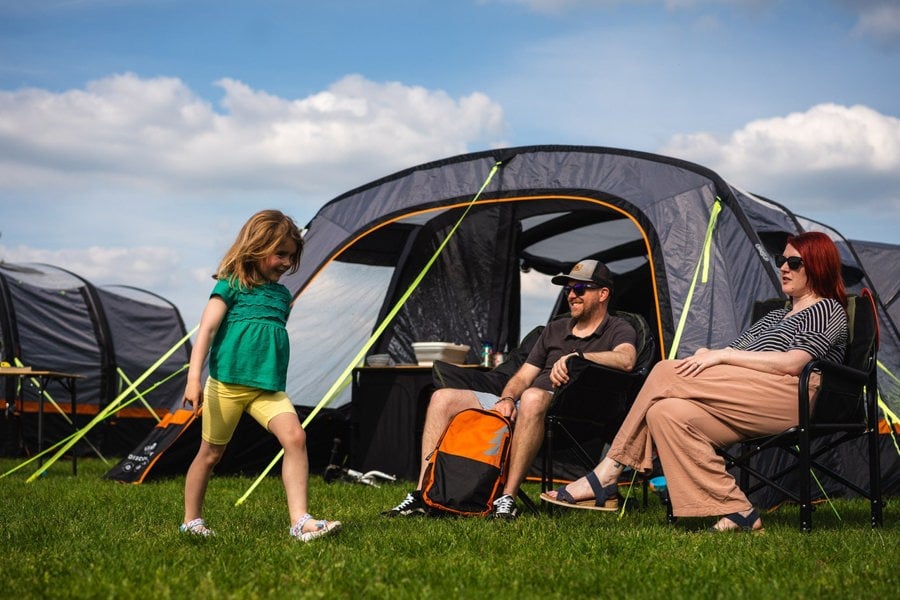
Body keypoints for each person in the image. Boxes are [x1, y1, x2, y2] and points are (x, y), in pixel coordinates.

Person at [542, 232, 848, 532]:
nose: (783, 267)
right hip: (746, 394)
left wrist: (720, 357)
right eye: (782, 260)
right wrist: (710, 353)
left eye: (793, 263)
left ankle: (608, 472)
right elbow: (733, 352)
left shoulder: (826, 309)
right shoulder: (773, 317)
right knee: (666, 412)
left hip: (788, 397)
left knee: (664, 371)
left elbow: (795, 363)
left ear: (818, 266)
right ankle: (738, 511)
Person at [383, 259, 638, 519]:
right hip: (524, 402)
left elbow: (627, 359)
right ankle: (422, 492)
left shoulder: (619, 328)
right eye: (568, 289)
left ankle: (507, 497)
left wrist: (579, 357)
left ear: (603, 293)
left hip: (571, 411)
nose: (571, 295)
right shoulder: (554, 330)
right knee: (443, 398)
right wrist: (506, 397)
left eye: (580, 288)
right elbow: (524, 375)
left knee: (533, 397)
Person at [180, 209, 341, 542]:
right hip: (226, 385)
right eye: (280, 254)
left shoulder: (283, 296)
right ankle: (191, 521)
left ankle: (300, 522)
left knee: (295, 438)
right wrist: (194, 379)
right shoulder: (232, 285)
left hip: (266, 389)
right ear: (256, 247)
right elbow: (207, 329)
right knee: (210, 454)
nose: (285, 262)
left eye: (291, 256)